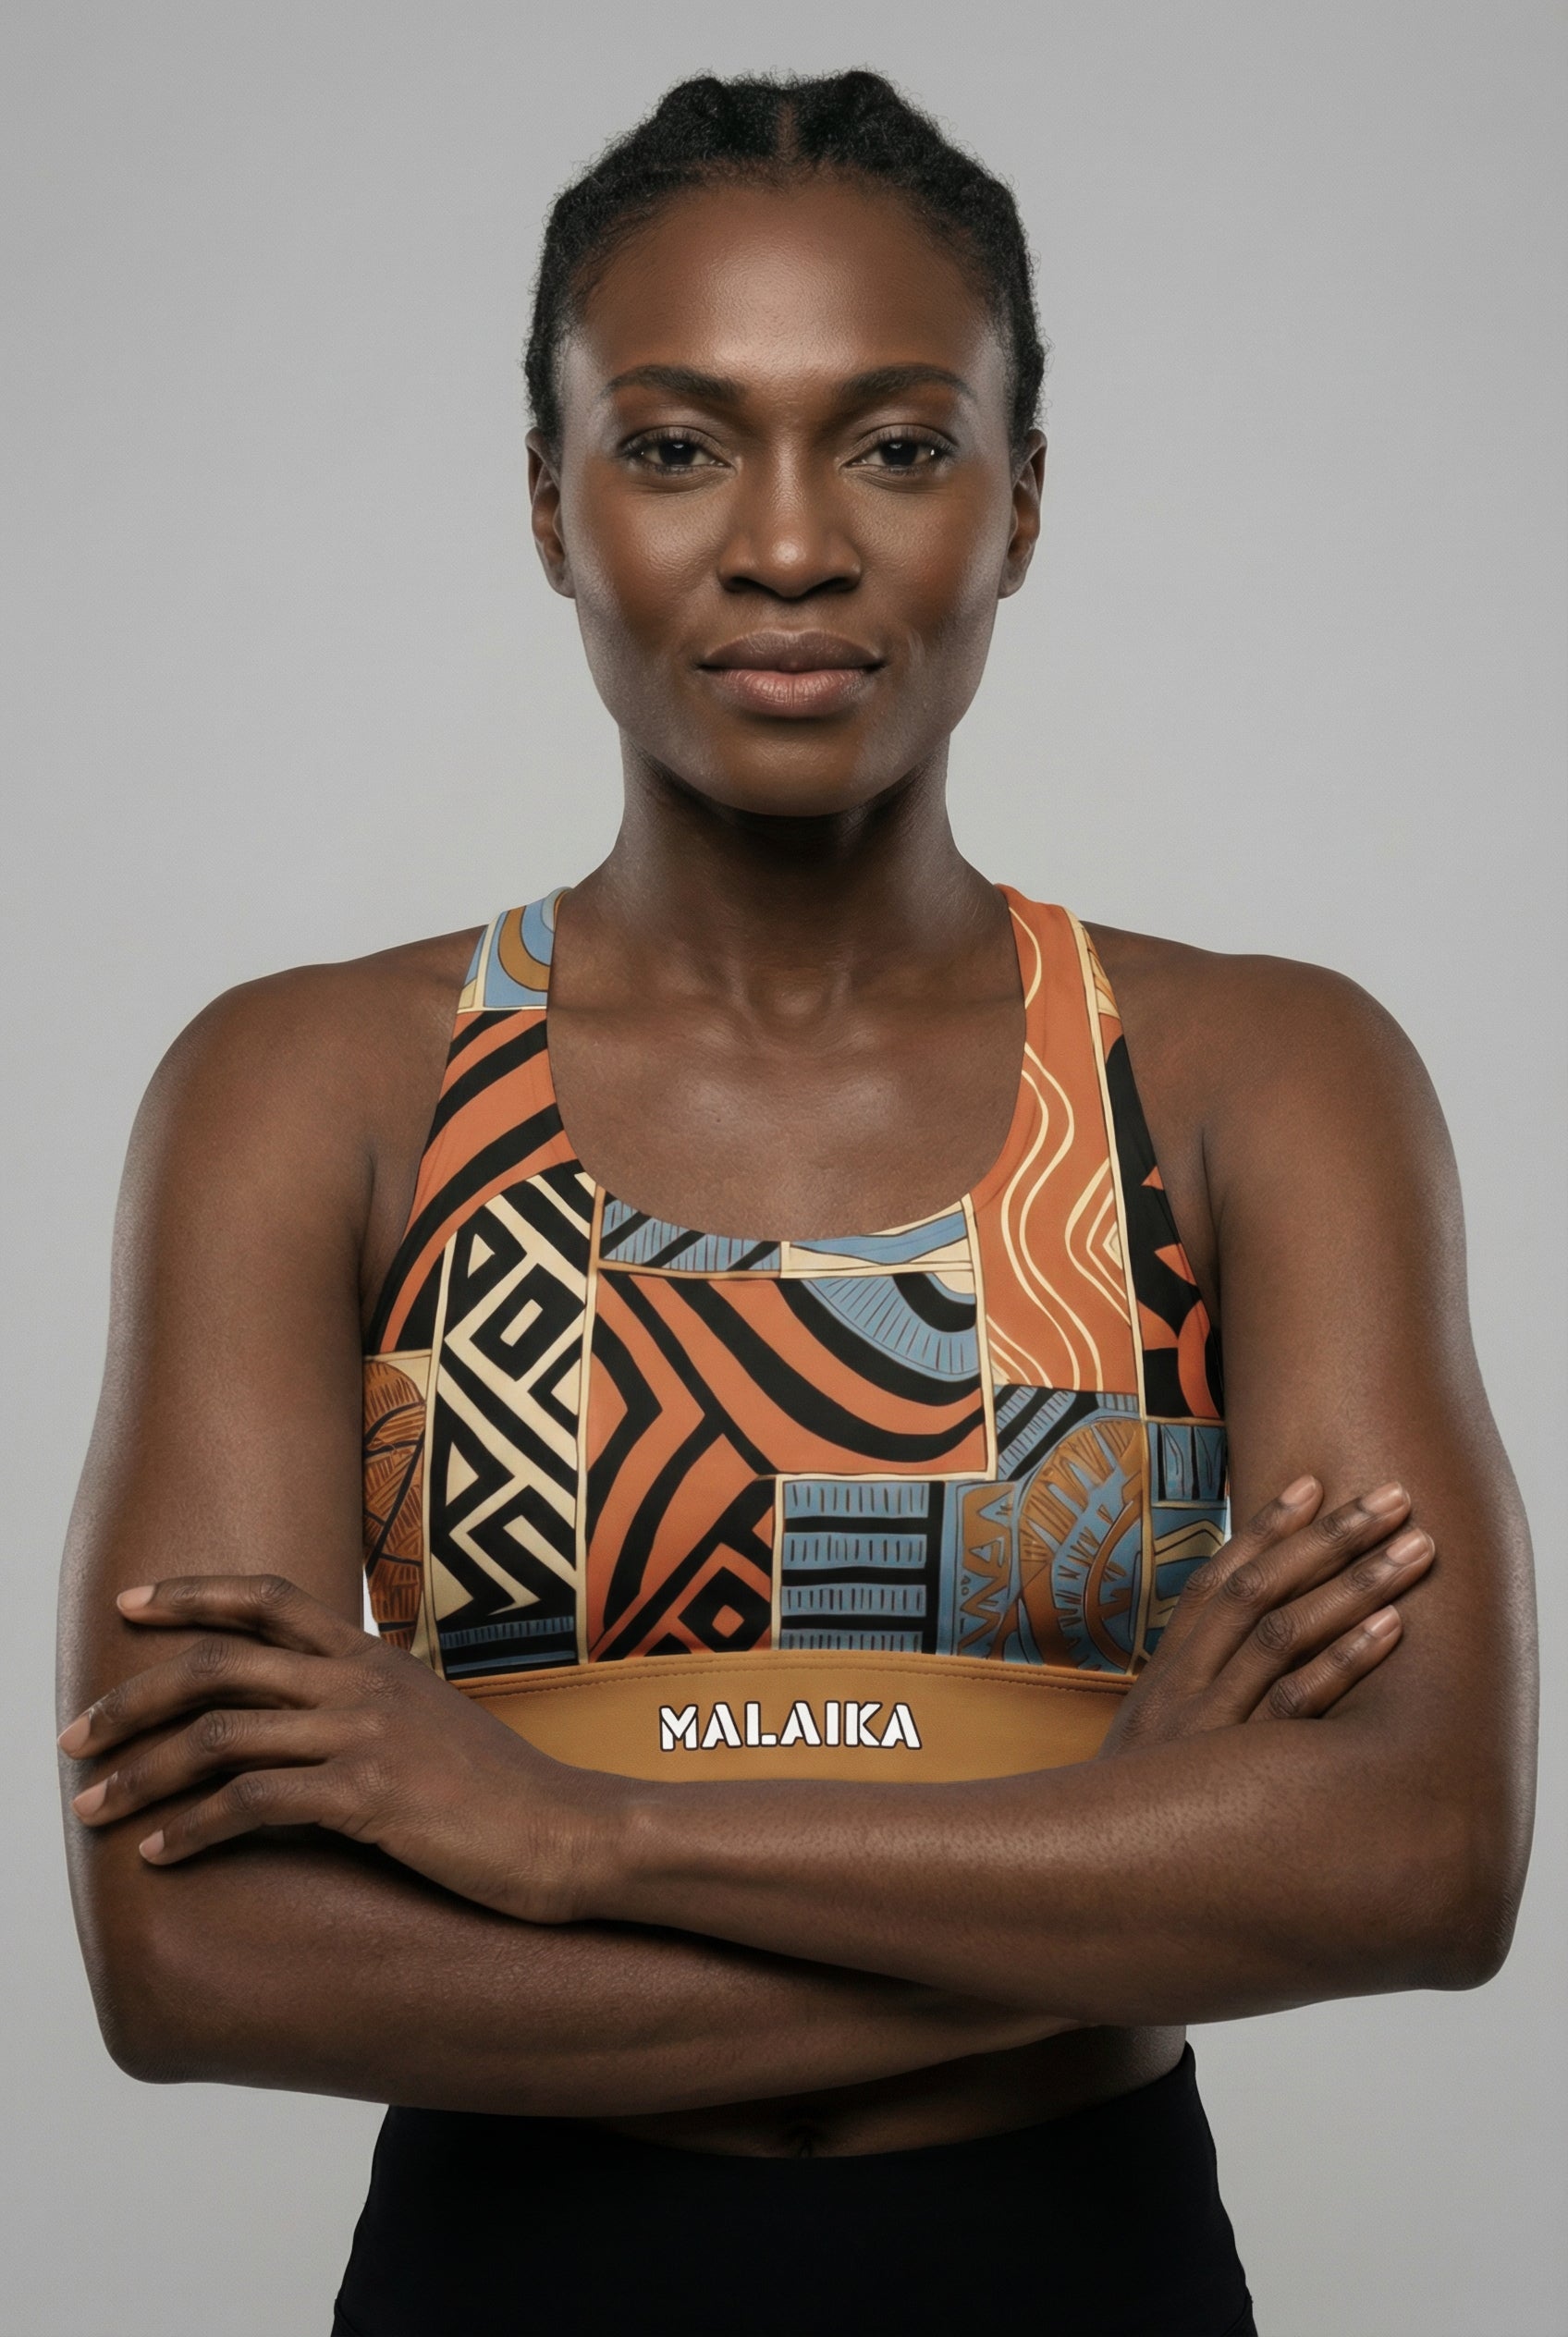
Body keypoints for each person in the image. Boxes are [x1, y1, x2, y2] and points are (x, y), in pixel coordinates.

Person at [56, 70, 1535, 2337]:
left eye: (895, 439)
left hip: (1078, 2277)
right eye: (671, 444)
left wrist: (581, 1834)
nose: (783, 544)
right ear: (549, 503)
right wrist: (1118, 1856)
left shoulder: (1253, 1080)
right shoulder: (317, 1093)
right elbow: (195, 1950)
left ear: (1018, 503)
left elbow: (1416, 1861)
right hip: (509, 2285)